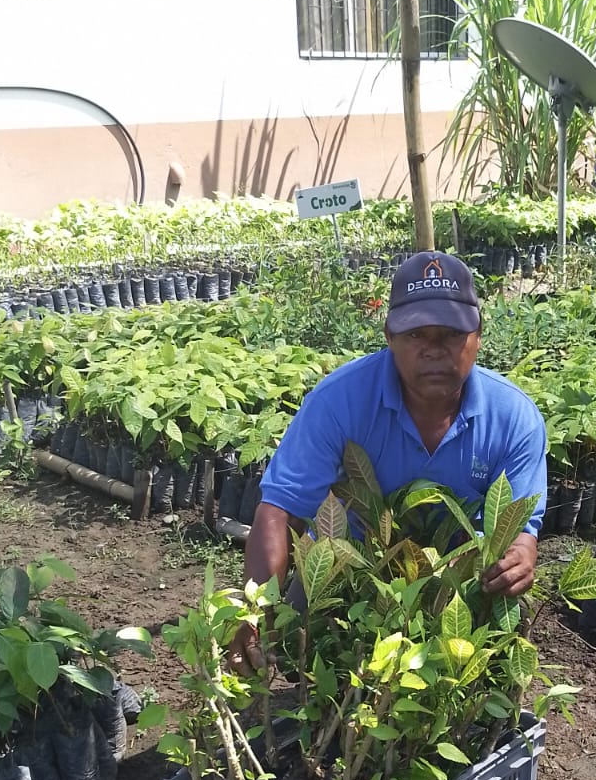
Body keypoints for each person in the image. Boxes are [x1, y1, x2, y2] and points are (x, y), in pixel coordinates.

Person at [232, 250, 547, 665]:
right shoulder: (339, 402)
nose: (433, 350)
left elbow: (517, 529)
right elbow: (280, 510)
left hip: (460, 579)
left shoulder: (514, 417)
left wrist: (520, 555)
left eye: (451, 334)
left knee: (488, 672)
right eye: (416, 335)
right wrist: (255, 612)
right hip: (349, 568)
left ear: (478, 335)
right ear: (389, 336)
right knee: (298, 657)